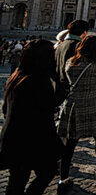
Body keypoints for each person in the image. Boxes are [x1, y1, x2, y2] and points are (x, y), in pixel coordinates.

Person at [57, 35, 96, 193]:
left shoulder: (71, 62)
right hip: (92, 103)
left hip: (72, 103)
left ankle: (63, 177)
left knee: (70, 143)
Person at [0, 40, 64, 195]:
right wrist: (58, 80)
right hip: (33, 138)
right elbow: (50, 104)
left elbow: (4, 109)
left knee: (16, 181)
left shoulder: (16, 75)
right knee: (47, 172)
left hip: (14, 136)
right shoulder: (38, 80)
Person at [55, 19, 89, 104]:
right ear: (84, 32)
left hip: (59, 85)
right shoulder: (79, 46)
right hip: (73, 87)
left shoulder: (60, 45)